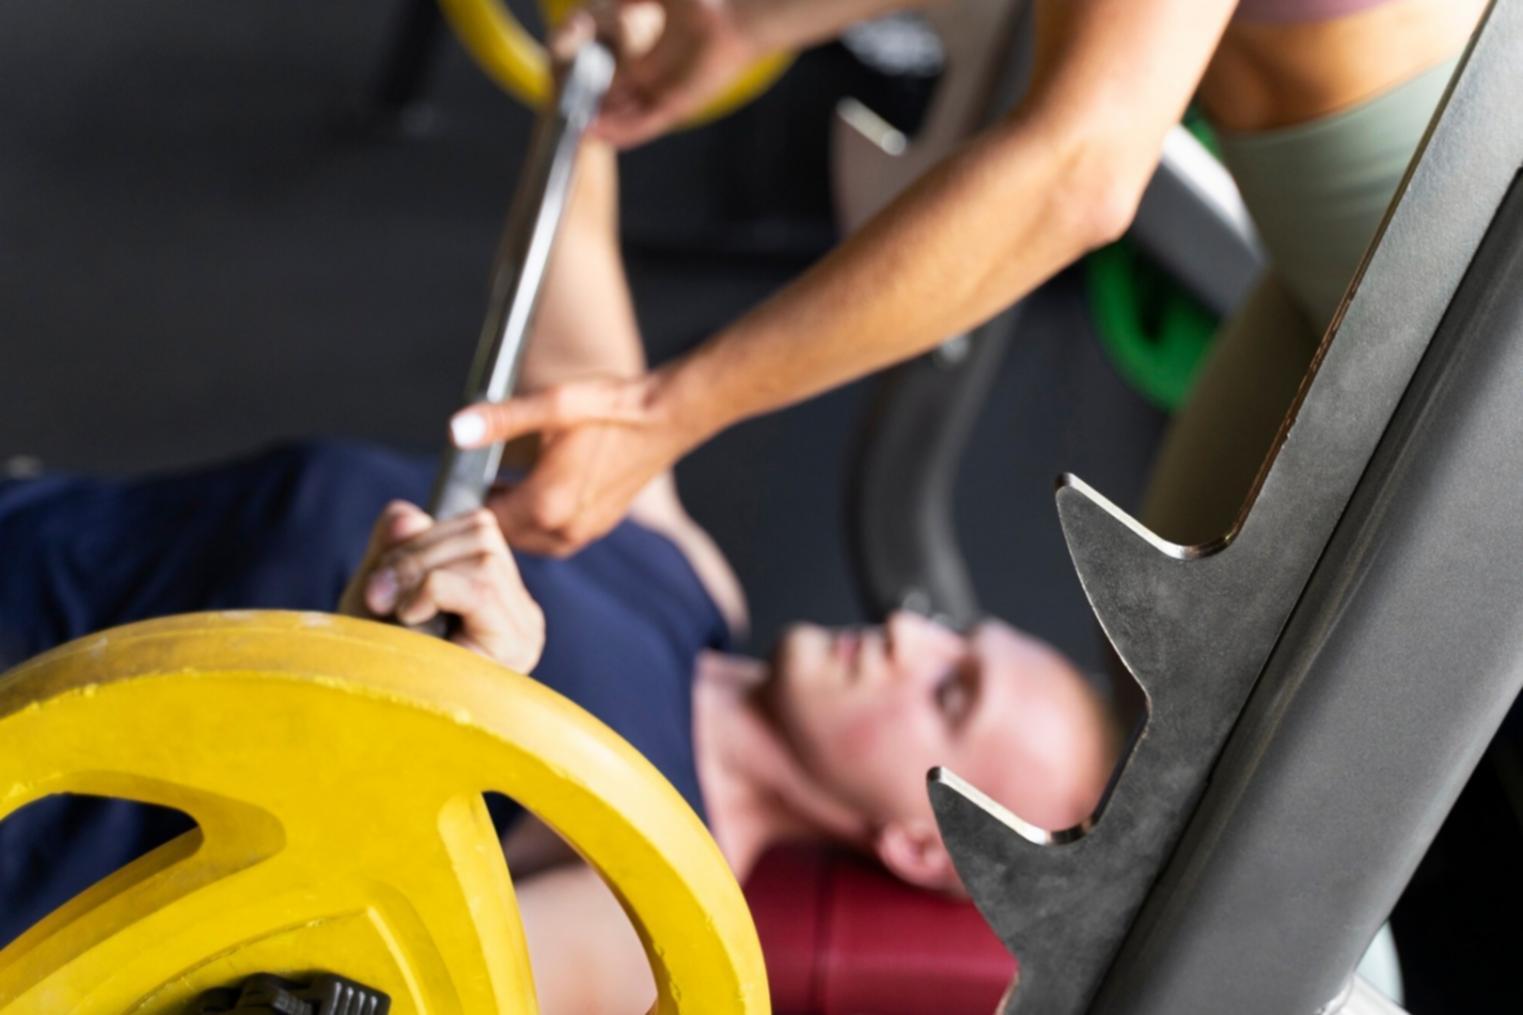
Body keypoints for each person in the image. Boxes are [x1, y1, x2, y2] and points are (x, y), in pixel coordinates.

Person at [0, 144, 1116, 1013]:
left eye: (947, 692)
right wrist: (596, 88)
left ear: (917, 844)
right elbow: (574, 320)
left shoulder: (636, 901)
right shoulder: (689, 584)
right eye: (951, 635)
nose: (907, 639)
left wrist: (419, 699)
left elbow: (306, 970)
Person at [449, 0, 1488, 556]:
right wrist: (738, 22)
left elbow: (1077, 173)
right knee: (1178, 741)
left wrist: (664, 410)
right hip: (1343, 268)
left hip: (1464, 289)